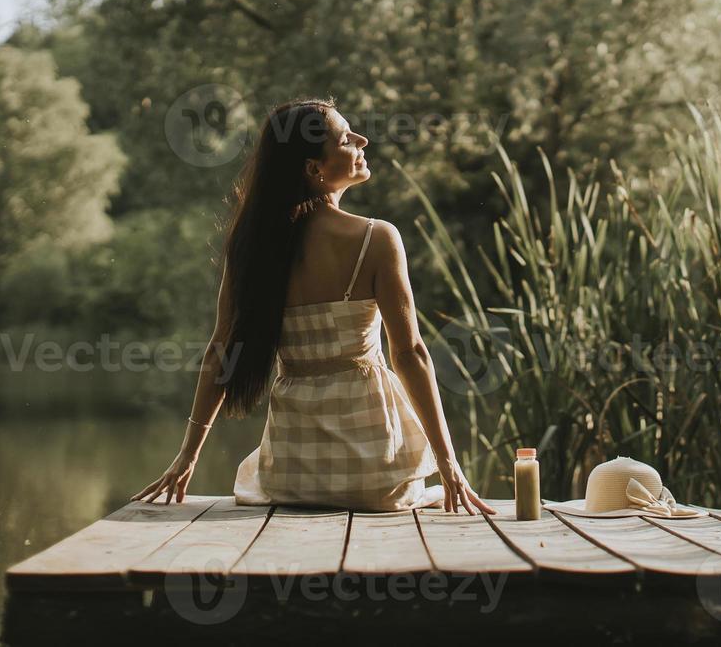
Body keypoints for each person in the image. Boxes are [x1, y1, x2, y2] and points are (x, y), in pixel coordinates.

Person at [134, 97, 495, 515]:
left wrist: (188, 454)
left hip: (293, 476)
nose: (363, 140)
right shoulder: (376, 238)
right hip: (376, 476)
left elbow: (221, 350)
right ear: (314, 170)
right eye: (346, 138)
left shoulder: (252, 248)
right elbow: (410, 353)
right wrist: (448, 464)